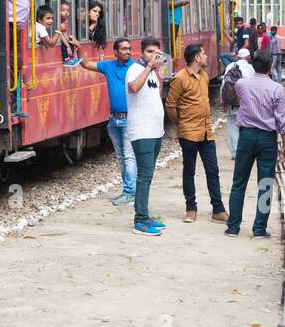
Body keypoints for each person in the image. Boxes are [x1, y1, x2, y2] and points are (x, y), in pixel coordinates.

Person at [224, 50, 285, 238]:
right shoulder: (277, 89)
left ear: (253, 65)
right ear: (270, 67)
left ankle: (233, 227)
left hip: (245, 137)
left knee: (239, 182)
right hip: (267, 139)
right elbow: (283, 121)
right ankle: (259, 229)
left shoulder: (242, 84)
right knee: (266, 184)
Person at [166, 43, 227, 223]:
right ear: (196, 58)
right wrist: (181, 124)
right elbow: (170, 105)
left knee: (213, 170)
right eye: (204, 53)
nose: (207, 56)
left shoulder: (204, 76)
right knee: (189, 170)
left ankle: (218, 209)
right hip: (189, 133)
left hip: (207, 131)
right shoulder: (180, 78)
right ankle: (190, 208)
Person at [79, 39, 138, 205]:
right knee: (121, 157)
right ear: (116, 52)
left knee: (128, 156)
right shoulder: (109, 66)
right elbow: (85, 64)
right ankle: (129, 190)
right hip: (114, 120)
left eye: (129, 49)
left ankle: (130, 192)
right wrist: (78, 47)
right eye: (124, 49)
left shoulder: (135, 68)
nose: (128, 52)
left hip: (129, 118)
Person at [126, 37, 168, 236]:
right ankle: (140, 221)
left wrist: (154, 69)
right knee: (144, 176)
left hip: (155, 131)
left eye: (156, 52)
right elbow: (133, 87)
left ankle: (145, 215)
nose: (153, 55)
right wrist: (149, 67)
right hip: (142, 132)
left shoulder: (151, 73)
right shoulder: (135, 69)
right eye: (149, 52)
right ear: (141, 52)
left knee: (148, 176)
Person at [7, 0, 37, 118]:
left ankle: (12, 103)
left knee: (16, 62)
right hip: (10, 24)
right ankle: (10, 104)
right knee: (13, 62)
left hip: (17, 26)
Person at [221, 48, 255, 158]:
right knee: (247, 127)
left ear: (238, 56)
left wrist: (223, 101)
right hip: (246, 103)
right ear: (248, 57)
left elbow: (223, 85)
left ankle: (235, 152)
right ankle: (246, 151)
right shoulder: (251, 68)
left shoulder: (230, 67)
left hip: (232, 102)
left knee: (232, 126)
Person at [58, 0, 82, 65]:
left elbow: (65, 33)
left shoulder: (65, 21)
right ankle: (66, 59)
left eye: (68, 11)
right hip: (60, 39)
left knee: (71, 40)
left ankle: (71, 58)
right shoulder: (58, 23)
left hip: (63, 37)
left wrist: (69, 39)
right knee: (64, 45)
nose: (66, 12)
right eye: (63, 10)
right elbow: (60, 35)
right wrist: (67, 45)